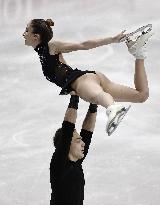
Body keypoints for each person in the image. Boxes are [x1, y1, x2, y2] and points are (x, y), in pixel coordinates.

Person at [23, 19, 152, 135]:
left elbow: (83, 45)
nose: (23, 34)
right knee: (141, 95)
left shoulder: (51, 47)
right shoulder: (43, 52)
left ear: (36, 36)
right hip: (89, 79)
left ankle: (113, 108)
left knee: (99, 97)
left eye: (26, 30)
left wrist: (112, 39)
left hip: (81, 82)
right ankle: (139, 53)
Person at [50, 93, 98, 205]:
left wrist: (94, 104)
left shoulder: (76, 161)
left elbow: (87, 131)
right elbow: (68, 128)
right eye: (78, 140)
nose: (83, 144)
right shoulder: (59, 166)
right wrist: (74, 97)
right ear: (66, 145)